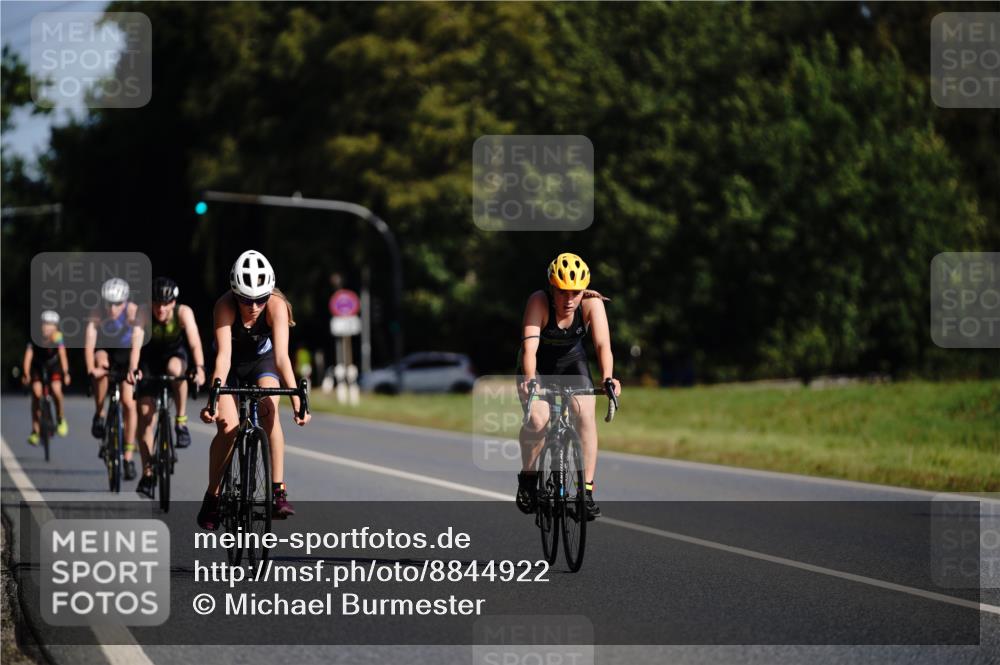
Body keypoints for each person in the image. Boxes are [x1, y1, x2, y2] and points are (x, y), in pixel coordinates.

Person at [197, 250, 310, 529]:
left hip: (263, 362)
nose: (254, 306)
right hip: (231, 366)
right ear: (235, 294)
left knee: (270, 410)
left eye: (260, 299)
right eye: (246, 300)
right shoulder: (224, 306)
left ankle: (277, 491)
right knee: (228, 427)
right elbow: (223, 357)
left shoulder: (277, 305)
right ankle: (213, 496)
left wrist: (298, 400)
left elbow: (283, 358)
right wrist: (213, 400)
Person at [516, 252, 621, 520]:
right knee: (538, 419)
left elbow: (602, 346)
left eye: (576, 292)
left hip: (573, 364)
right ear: (552, 288)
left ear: (584, 290)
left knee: (585, 414)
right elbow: (530, 348)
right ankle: (529, 478)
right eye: (562, 292)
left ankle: (585, 492)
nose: (569, 299)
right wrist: (530, 381)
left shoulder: (592, 304)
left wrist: (608, 378)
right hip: (538, 367)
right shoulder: (538, 301)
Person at [134, 277, 206, 498]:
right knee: (145, 416)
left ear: (174, 302)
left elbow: (194, 342)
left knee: (176, 371)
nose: (161, 308)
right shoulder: (143, 312)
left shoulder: (184, 313)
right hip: (149, 361)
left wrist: (200, 368)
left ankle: (181, 421)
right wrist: (132, 368)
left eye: (166, 303)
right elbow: (136, 341)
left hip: (175, 356)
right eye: (157, 303)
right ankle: (147, 473)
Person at [85, 277, 144, 481]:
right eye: (108, 303)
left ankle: (128, 457)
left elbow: (137, 344)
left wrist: (134, 369)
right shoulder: (97, 312)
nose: (112, 308)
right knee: (99, 364)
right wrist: (90, 369)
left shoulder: (133, 312)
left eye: (117, 303)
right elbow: (89, 343)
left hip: (127, 355)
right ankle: (100, 412)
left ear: (125, 302)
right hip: (106, 352)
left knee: (129, 403)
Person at [22, 310, 71, 445]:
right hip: (38, 366)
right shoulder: (35, 337)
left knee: (56, 389)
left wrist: (66, 373)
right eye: (45, 324)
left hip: (53, 365)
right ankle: (35, 431)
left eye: (51, 325)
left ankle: (60, 417)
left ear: (56, 327)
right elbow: (28, 357)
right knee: (36, 394)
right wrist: (26, 374)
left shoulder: (58, 338)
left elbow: (63, 355)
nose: (47, 328)